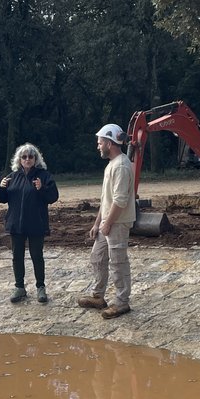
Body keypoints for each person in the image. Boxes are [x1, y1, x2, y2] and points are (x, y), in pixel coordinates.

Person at [80, 123, 136, 319]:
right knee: (98, 258)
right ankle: (98, 296)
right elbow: (106, 199)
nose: (98, 146)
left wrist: (108, 223)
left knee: (118, 263)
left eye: (100, 142)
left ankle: (122, 302)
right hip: (108, 222)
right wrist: (97, 223)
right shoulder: (112, 164)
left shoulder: (121, 166)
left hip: (117, 223)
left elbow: (120, 201)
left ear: (110, 143)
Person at [0, 143, 59, 304]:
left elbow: (53, 197)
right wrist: (1, 188)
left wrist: (41, 188)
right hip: (16, 223)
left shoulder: (44, 176)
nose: (27, 159)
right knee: (17, 256)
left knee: (37, 256)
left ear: (36, 159)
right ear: (19, 159)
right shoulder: (12, 177)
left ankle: (40, 287)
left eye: (31, 156)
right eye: (24, 157)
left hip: (36, 223)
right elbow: (1, 199)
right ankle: (19, 287)